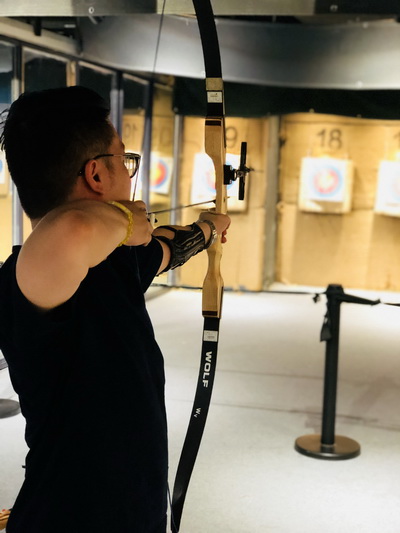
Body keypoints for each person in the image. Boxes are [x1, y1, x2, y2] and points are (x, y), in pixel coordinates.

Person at [0, 86, 230, 533]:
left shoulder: (115, 260)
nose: (129, 173)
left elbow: (167, 247)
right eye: (123, 160)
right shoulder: (30, 273)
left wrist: (207, 227)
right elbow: (73, 228)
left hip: (135, 511)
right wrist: (127, 220)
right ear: (96, 174)